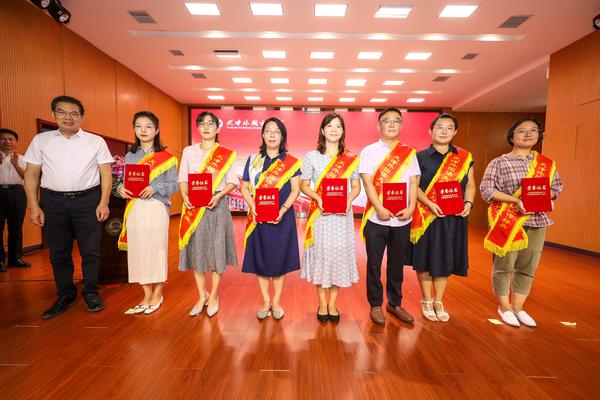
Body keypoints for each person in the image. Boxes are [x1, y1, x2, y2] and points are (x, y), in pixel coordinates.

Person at [24, 95, 113, 319]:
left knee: (91, 250)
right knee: (58, 252)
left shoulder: (95, 141)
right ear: (53, 114)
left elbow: (105, 174)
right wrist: (34, 206)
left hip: (88, 200)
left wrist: (103, 202)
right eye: (62, 112)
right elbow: (31, 174)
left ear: (82, 117)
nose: (68, 117)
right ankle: (65, 293)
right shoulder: (41, 141)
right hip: (52, 202)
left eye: (74, 113)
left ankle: (91, 291)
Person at [480, 117, 563, 328]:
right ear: (512, 136)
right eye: (522, 131)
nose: (528, 134)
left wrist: (544, 196)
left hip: (537, 220)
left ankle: (518, 307)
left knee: (528, 266)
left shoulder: (546, 164)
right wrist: (516, 200)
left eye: (533, 130)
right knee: (504, 265)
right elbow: (486, 190)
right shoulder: (499, 162)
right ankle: (504, 307)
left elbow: (556, 187)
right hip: (507, 220)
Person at [408, 114, 475, 322]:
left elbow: (470, 184)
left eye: (449, 128)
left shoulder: (464, 157)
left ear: (455, 132)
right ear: (431, 131)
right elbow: (414, 187)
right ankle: (426, 300)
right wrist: (430, 204)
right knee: (425, 259)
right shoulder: (419, 157)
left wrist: (468, 203)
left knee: (446, 258)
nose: (444, 131)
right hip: (427, 215)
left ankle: (439, 300)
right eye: (439, 127)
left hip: (454, 216)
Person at [359, 107, 421, 326]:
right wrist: (379, 208)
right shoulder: (369, 151)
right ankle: (375, 304)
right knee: (374, 264)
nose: (392, 124)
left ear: (401, 126)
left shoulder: (409, 152)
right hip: (376, 218)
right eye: (387, 121)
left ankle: (394, 304)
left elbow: (413, 182)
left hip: (403, 218)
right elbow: (367, 182)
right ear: (379, 126)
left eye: (396, 120)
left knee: (396, 264)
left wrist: (412, 207)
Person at [300, 113, 360, 323]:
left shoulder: (351, 158)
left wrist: (349, 200)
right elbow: (304, 185)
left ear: (343, 131)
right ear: (322, 130)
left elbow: (356, 186)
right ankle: (322, 302)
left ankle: (333, 303)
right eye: (330, 126)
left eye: (338, 126)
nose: (334, 130)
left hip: (342, 216)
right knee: (321, 255)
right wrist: (318, 198)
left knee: (337, 257)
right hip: (321, 214)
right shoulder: (311, 156)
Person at [178, 111, 238, 318]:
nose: (206, 127)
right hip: (194, 207)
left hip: (216, 206)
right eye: (202, 123)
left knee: (216, 251)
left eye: (210, 123)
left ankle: (213, 297)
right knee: (198, 251)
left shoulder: (226, 153)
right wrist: (184, 195)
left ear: (217, 128)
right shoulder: (189, 151)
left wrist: (218, 195)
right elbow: (183, 178)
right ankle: (201, 295)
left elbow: (232, 182)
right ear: (197, 127)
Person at [117, 111, 178, 315]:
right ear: (134, 129)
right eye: (139, 126)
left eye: (148, 126)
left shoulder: (167, 158)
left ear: (157, 130)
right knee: (138, 250)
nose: (143, 130)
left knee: (156, 249)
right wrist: (121, 189)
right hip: (135, 207)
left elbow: (174, 185)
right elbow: (124, 181)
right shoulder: (130, 156)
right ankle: (146, 293)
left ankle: (158, 293)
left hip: (156, 206)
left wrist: (155, 187)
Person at [241, 117, 301, 320]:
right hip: (258, 217)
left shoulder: (291, 162)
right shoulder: (254, 160)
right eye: (268, 131)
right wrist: (253, 205)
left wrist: (282, 210)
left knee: (279, 259)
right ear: (263, 135)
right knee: (261, 258)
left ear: (282, 136)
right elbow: (244, 187)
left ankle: (276, 302)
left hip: (282, 218)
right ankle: (266, 300)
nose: (272, 135)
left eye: (276, 131)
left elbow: (295, 190)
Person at [0, 128, 30, 272]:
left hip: (17, 193)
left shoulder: (23, 159)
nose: (7, 142)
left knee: (16, 227)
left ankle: (15, 258)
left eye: (11, 139)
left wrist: (16, 164)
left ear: (16, 142)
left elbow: (28, 178)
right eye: (3, 139)